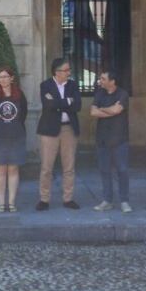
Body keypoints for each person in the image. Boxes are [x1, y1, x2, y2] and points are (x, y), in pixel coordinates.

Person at [36, 58, 82, 211]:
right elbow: (48, 105)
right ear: (57, 72)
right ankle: (44, 199)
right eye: (66, 70)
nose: (69, 73)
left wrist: (59, 102)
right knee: (46, 167)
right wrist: (67, 101)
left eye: (69, 70)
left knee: (69, 167)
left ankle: (68, 198)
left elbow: (77, 105)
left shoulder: (73, 85)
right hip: (49, 130)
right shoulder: (45, 85)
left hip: (69, 129)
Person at [0, 66, 27, 213]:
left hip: (16, 136)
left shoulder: (19, 95)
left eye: (5, 76)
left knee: (14, 169)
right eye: (0, 77)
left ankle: (12, 203)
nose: (2, 79)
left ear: (11, 78)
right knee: (0, 170)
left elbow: (23, 114)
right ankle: (1, 203)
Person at [91, 70, 132, 213]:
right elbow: (93, 112)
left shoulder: (122, 94)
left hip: (120, 139)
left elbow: (117, 110)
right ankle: (107, 200)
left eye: (103, 79)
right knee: (104, 171)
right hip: (102, 139)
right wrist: (108, 110)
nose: (100, 81)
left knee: (122, 170)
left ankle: (124, 201)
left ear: (112, 81)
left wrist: (102, 109)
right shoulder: (99, 93)